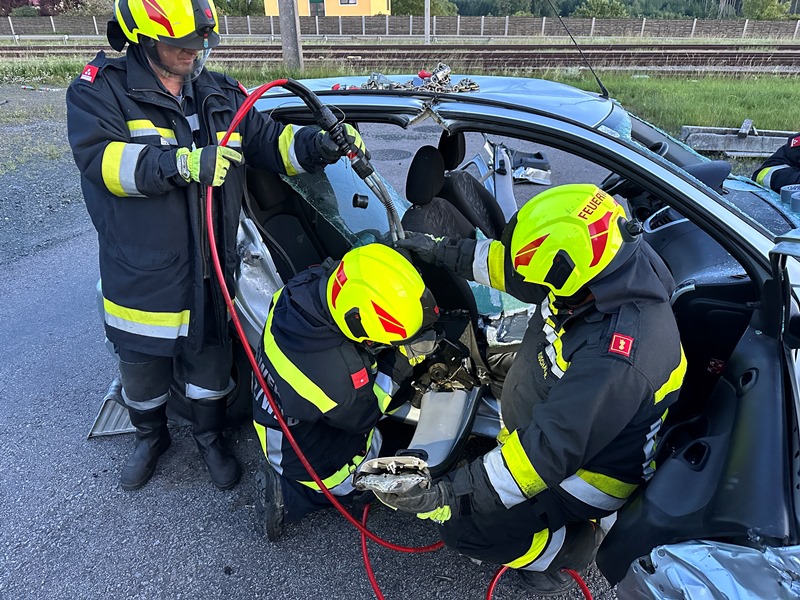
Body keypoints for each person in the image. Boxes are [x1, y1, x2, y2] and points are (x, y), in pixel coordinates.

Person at [66, 0, 365, 492]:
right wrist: (181, 164)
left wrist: (316, 146)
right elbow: (102, 162)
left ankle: (210, 438)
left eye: (201, 42)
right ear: (144, 39)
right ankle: (150, 438)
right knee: (142, 372)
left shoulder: (221, 93)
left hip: (212, 266)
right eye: (181, 44)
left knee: (209, 364)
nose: (194, 52)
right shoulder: (100, 91)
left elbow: (271, 143)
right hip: (142, 271)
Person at [378, 184, 686, 595]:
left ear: (566, 275)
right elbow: (510, 270)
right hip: (560, 424)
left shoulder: (619, 357)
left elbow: (547, 453)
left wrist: (450, 496)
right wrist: (438, 251)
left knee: (463, 529)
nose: (534, 283)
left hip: (583, 478)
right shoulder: (602, 260)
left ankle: (572, 548)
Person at [251, 243, 440, 541]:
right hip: (303, 456)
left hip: (275, 415)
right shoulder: (335, 378)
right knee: (390, 466)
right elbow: (365, 416)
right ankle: (289, 497)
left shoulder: (307, 285)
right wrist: (404, 360)